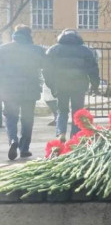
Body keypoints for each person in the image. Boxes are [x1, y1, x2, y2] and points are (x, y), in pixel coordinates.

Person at [44, 29, 100, 142]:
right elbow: (93, 70)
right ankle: (74, 137)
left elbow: (46, 71)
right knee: (77, 111)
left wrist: (52, 86)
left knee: (62, 110)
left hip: (61, 85)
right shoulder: (86, 51)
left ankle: (61, 133)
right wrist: (95, 86)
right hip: (79, 86)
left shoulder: (54, 50)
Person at [0, 25, 46, 160]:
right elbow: (45, 66)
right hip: (29, 90)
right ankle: (24, 148)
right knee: (27, 118)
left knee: (11, 117)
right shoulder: (37, 50)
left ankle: (13, 140)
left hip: (9, 90)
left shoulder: (3, 49)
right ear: (29, 35)